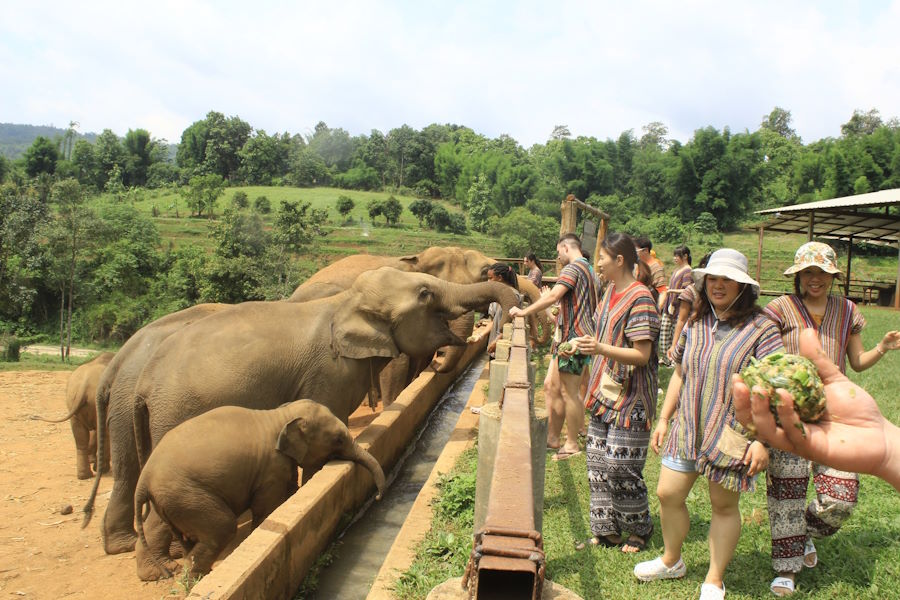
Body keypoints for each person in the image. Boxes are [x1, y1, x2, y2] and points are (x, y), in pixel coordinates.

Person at [634, 248, 782, 600]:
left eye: (727, 280)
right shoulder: (696, 324)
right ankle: (672, 560)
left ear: (742, 286)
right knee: (668, 494)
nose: (718, 285)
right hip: (687, 426)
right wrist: (664, 418)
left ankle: (714, 579)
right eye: (712, 279)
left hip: (732, 432)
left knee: (724, 506)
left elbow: (773, 389)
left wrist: (762, 440)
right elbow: (680, 374)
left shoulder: (763, 328)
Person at [759, 241, 900, 597]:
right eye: (809, 272)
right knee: (786, 495)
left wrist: (881, 348)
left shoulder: (847, 310)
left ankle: (801, 534)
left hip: (836, 417)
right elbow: (767, 360)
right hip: (789, 413)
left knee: (841, 497)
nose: (815, 279)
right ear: (798, 276)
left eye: (822, 272)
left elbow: (856, 362)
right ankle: (787, 568)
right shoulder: (779, 309)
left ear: (833, 276)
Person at [569, 232, 659, 553]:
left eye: (602, 259)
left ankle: (638, 528)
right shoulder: (608, 292)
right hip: (603, 392)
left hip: (631, 398)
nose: (598, 265)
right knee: (596, 461)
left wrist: (600, 347)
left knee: (620, 465)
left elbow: (642, 355)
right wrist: (582, 344)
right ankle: (606, 528)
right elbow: (599, 332)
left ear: (619, 260)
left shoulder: (641, 299)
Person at [732, 328, 900, 493]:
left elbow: (858, 360)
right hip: (791, 425)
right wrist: (888, 450)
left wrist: (888, 450)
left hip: (821, 416)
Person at [510, 234, 597, 460]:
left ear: (566, 248)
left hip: (573, 340)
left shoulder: (573, 269)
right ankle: (553, 438)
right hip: (574, 338)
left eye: (559, 252)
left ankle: (571, 444)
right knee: (551, 385)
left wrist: (524, 311)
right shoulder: (589, 270)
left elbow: (555, 296)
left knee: (570, 393)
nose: (558, 257)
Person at [658, 245, 692, 366]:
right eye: (674, 256)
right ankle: (667, 358)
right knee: (664, 335)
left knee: (675, 337)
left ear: (685, 256)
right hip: (669, 308)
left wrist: (671, 291)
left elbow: (687, 290)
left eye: (677, 256)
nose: (674, 258)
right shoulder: (677, 270)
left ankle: (673, 361)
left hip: (679, 309)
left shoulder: (688, 271)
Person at [485, 263, 523, 356]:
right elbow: (494, 321)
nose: (488, 281)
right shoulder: (496, 295)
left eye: (490, 278)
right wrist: (480, 336)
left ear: (500, 278)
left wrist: (497, 341)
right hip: (495, 346)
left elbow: (510, 323)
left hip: (504, 347)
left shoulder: (513, 295)